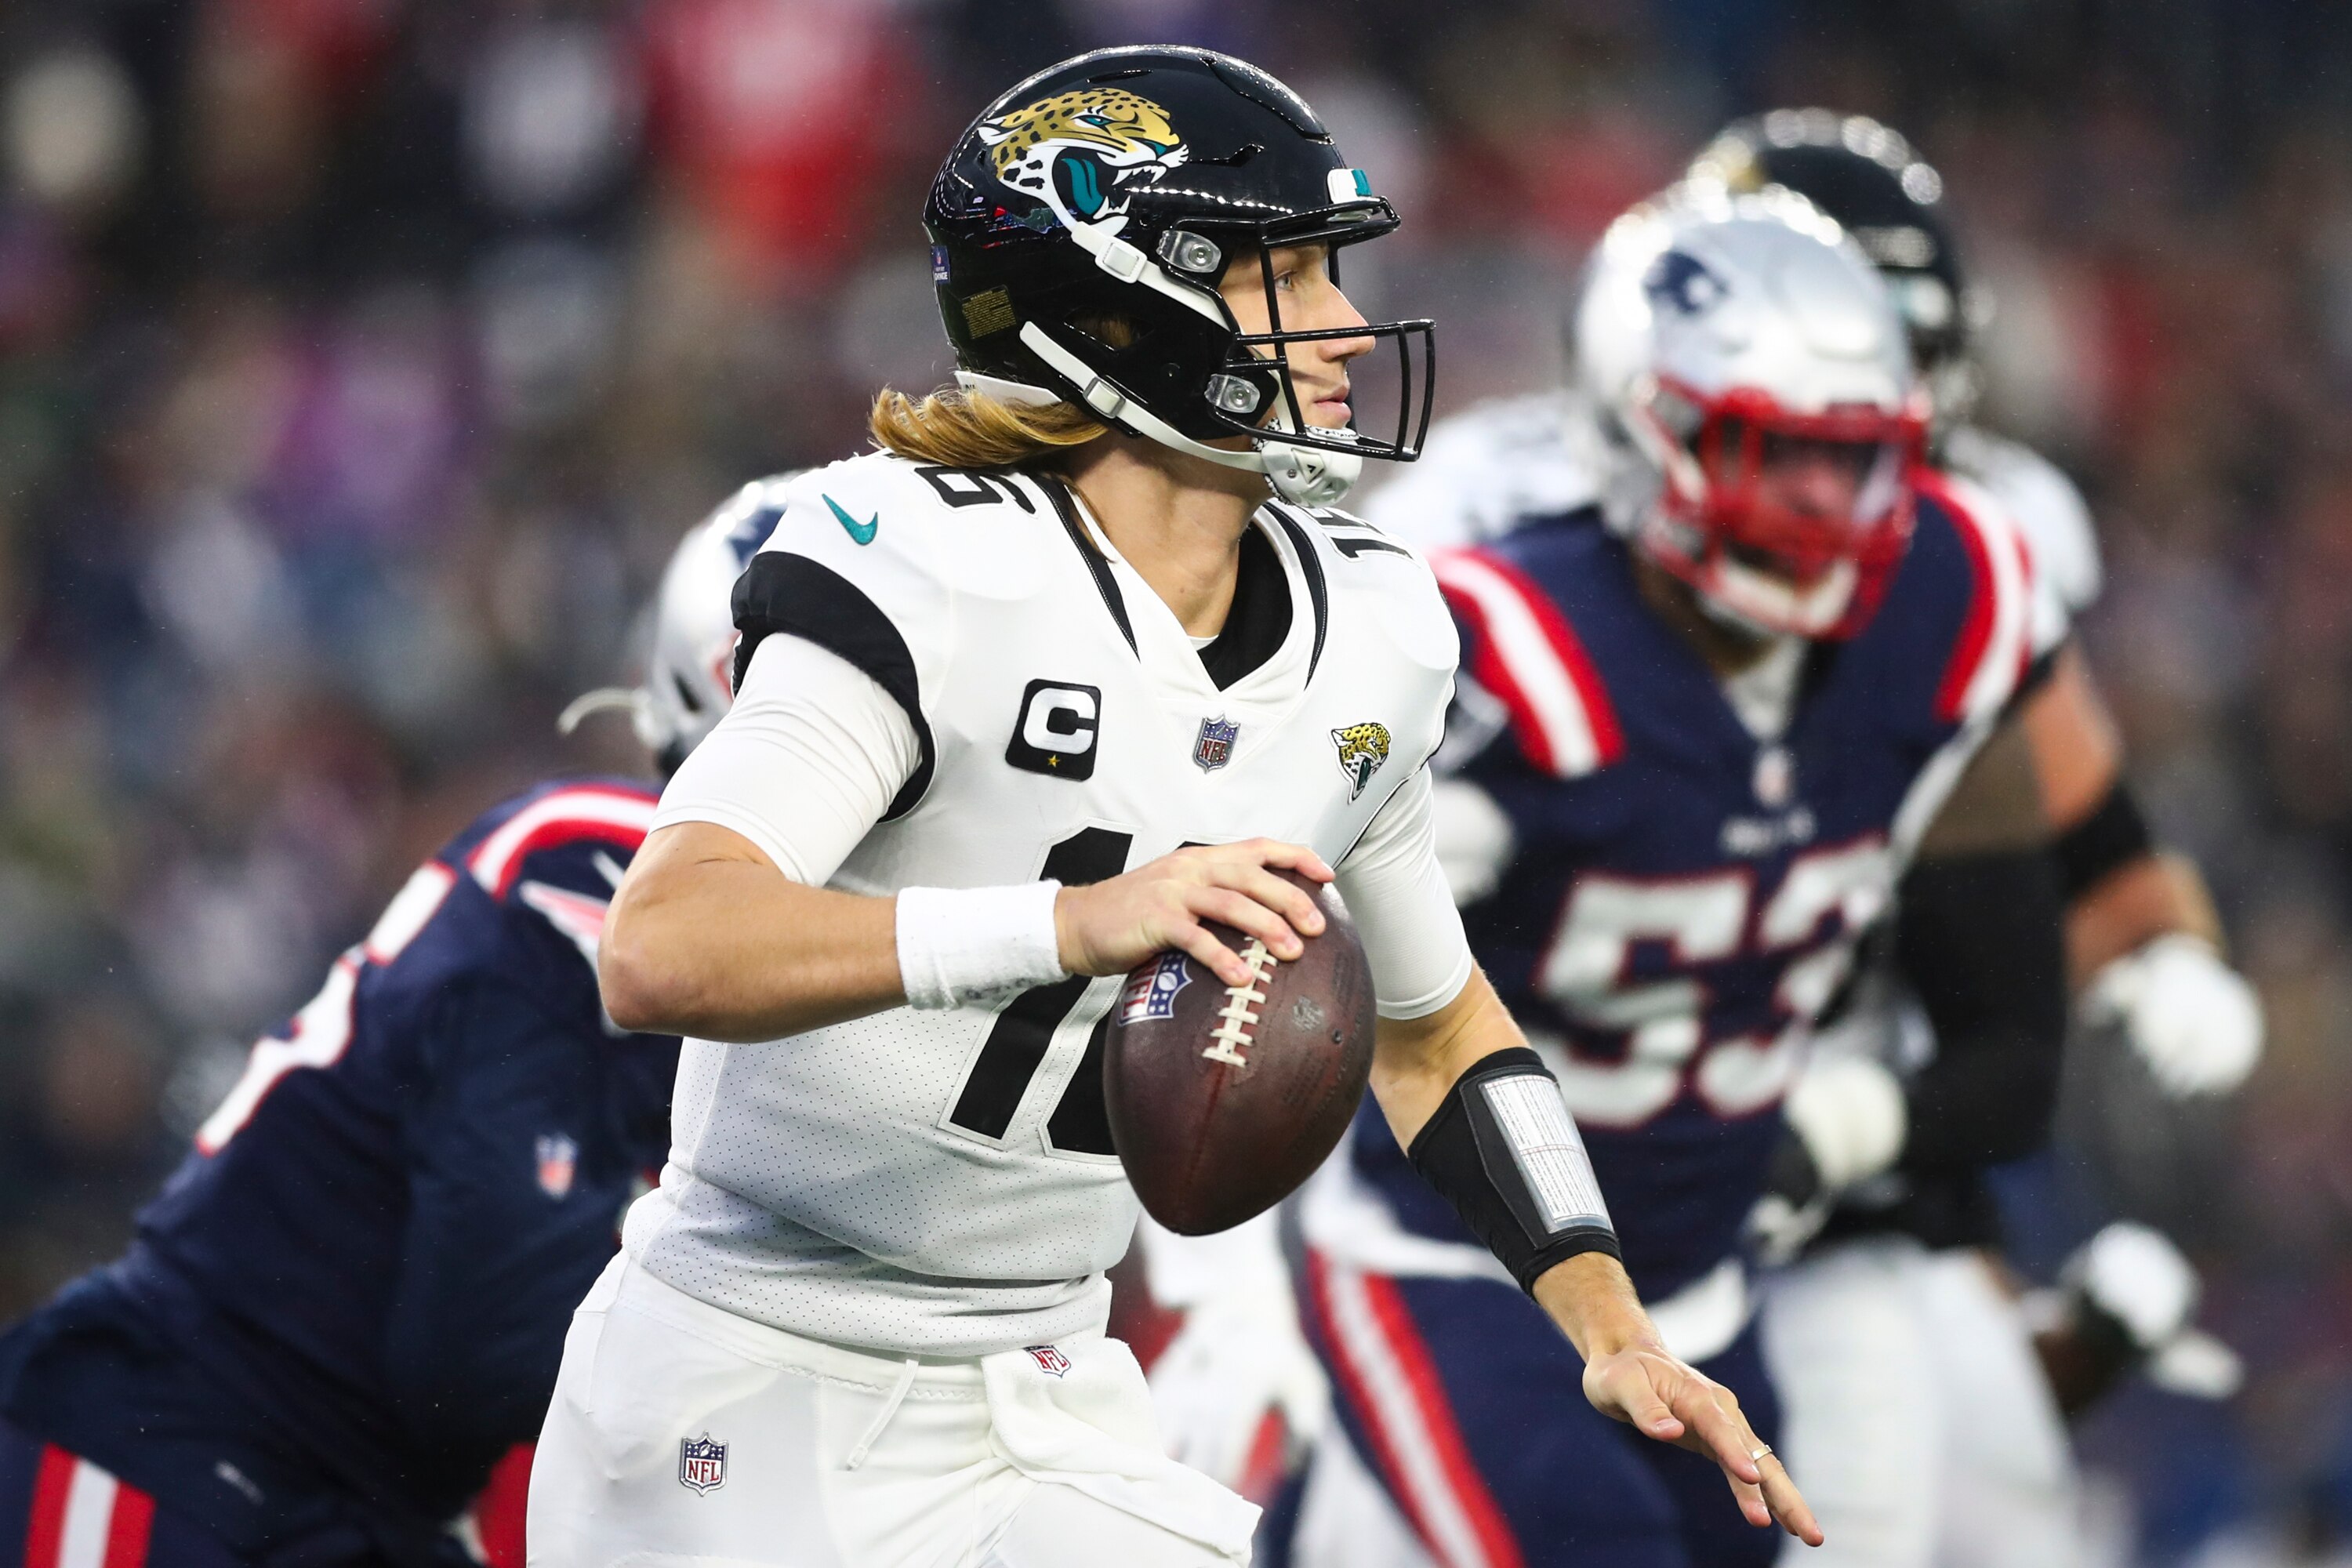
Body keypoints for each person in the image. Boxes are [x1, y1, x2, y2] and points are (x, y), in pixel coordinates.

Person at [525, 46, 1813, 1568]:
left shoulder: (1371, 631)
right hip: (751, 1377)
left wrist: (1605, 1319)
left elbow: (1434, 1026)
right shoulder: (923, 564)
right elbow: (662, 943)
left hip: (1044, 1381)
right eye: (1292, 279)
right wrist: (1072, 924)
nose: (1344, 328)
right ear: (1121, 299)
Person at [1258, 187, 2070, 1568]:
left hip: (1701, 1285)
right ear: (1649, 432)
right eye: (1770, 453)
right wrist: (1386, 835)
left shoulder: (1957, 595)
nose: (1820, 505)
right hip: (1459, 1267)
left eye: (1850, 457)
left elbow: (2012, 982)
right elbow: (1290, 882)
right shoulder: (1503, 645)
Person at [1682, 111, 2263, 1568]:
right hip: (1629, 1092)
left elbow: (2073, 821)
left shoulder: (1989, 537)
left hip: (1881, 1106)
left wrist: (2164, 943)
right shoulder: (1544, 533)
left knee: (2002, 1494)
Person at [0, 499, 775, 1568]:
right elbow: (473, 1355)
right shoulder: (590, 867)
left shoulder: (829, 982)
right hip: (180, 1457)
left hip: (357, 1507)